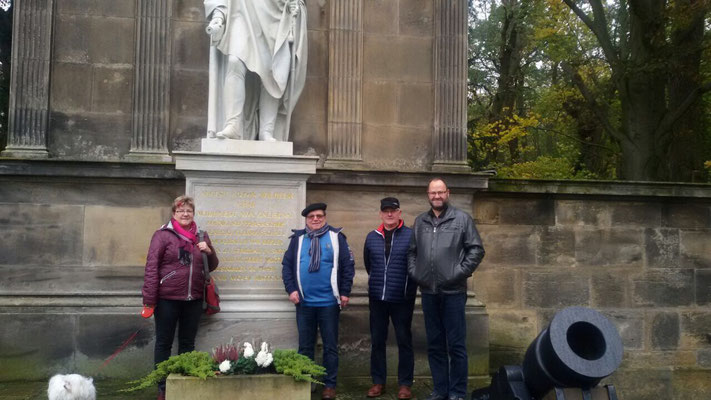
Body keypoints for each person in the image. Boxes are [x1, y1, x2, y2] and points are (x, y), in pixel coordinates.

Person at [407, 178, 485, 400]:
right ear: (428, 195)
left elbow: (476, 250)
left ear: (448, 193)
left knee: (457, 346)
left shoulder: (462, 219)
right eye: (433, 193)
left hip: (453, 293)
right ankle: (440, 390)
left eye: (440, 192)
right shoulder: (420, 221)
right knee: (435, 345)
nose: (437, 196)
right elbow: (411, 252)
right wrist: (416, 273)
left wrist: (457, 273)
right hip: (429, 293)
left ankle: (457, 392)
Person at [141, 195, 219, 400]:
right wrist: (149, 300)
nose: (185, 214)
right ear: (174, 214)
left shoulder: (201, 235)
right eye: (180, 211)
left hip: (193, 298)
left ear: (193, 213)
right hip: (167, 298)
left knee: (187, 343)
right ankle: (162, 386)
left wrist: (209, 251)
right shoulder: (163, 235)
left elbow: (212, 265)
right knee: (164, 343)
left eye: (189, 211)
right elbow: (151, 268)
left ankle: (183, 382)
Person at [204, 0, 307, 142]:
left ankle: (266, 131)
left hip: (275, 14)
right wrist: (218, 15)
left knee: (273, 72)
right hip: (241, 11)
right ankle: (233, 123)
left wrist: (295, 5)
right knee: (234, 61)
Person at [281, 202, 355, 400]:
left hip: (329, 303)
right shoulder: (297, 239)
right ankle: (306, 381)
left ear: (325, 217)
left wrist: (345, 292)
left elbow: (348, 266)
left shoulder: (336, 237)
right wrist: (291, 290)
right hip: (304, 303)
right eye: (311, 216)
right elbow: (287, 267)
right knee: (305, 346)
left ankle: (329, 385)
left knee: (330, 346)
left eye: (319, 216)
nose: (315, 219)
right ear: (306, 219)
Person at [363, 197, 416, 399]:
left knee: (404, 340)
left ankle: (405, 384)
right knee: (377, 341)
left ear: (399, 212)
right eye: (386, 211)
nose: (389, 214)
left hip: (402, 298)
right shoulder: (371, 236)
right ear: (380, 214)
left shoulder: (411, 235)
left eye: (393, 210)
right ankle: (378, 382)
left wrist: (408, 289)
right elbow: (370, 265)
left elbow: (415, 266)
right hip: (377, 298)